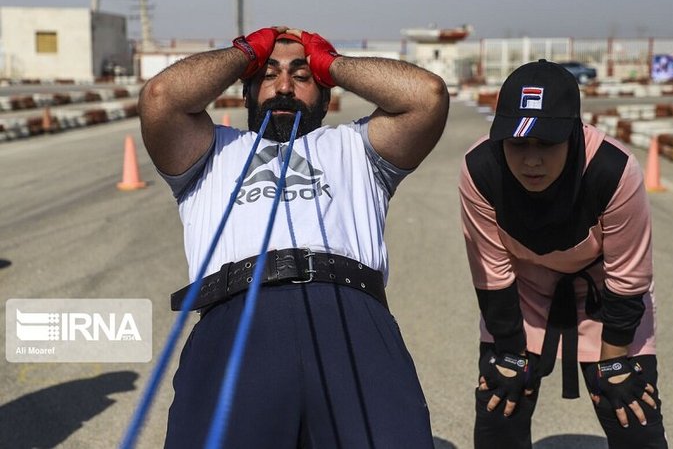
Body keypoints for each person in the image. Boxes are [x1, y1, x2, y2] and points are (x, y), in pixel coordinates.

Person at [138, 26, 449, 448]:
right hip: (237, 320)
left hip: (351, 318)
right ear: (246, 91)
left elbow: (427, 96)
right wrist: (245, 52)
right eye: (267, 75)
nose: (284, 86)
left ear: (325, 95)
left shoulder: (356, 146)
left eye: (302, 77)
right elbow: (161, 98)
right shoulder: (210, 150)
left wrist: (331, 63)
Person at [458, 59, 668, 448]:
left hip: (605, 295)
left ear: (573, 132)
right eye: (517, 144)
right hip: (522, 293)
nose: (531, 160)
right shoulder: (480, 168)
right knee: (499, 404)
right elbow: (492, 270)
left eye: (547, 144)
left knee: (631, 409)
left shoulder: (613, 169)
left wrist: (614, 360)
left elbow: (629, 275)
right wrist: (508, 352)